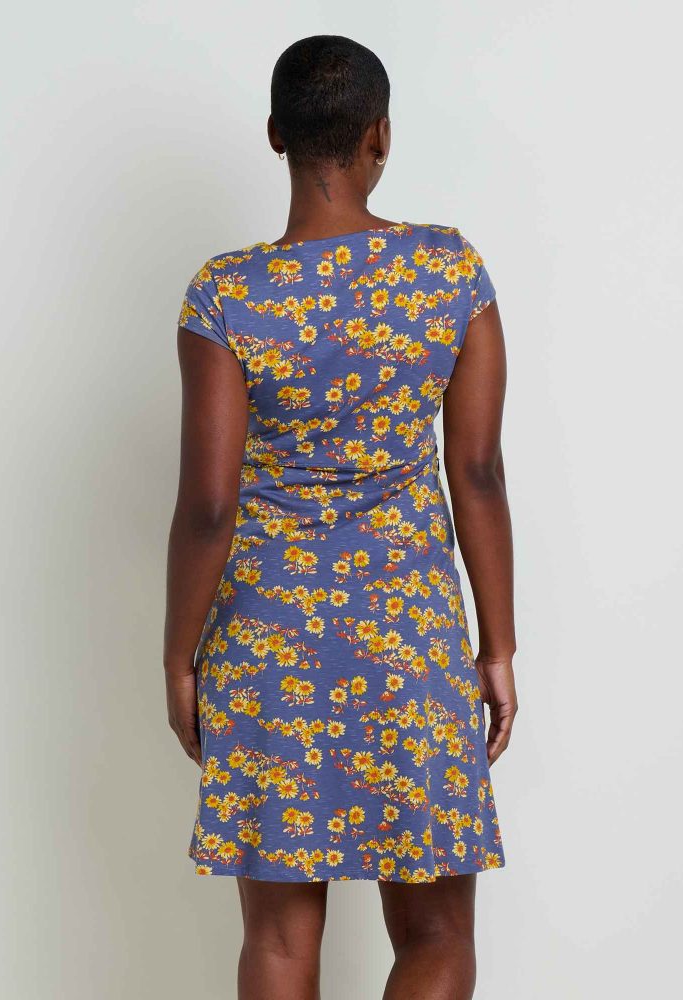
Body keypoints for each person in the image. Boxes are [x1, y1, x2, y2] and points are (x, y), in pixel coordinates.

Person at [164, 34, 518, 1000]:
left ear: (276, 135)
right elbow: (477, 472)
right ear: (381, 136)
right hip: (412, 637)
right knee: (437, 934)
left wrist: (180, 657)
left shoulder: (226, 294)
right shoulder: (448, 272)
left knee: (279, 941)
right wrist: (497, 648)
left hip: (265, 639)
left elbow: (209, 504)